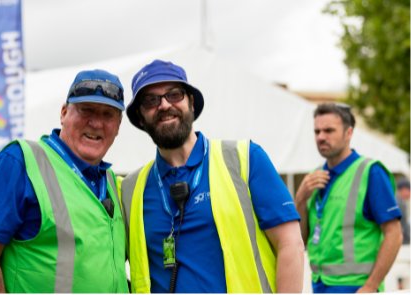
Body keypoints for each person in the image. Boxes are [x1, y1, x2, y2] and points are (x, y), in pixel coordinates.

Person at [120, 60, 303, 293]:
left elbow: (291, 245)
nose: (164, 105)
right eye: (151, 100)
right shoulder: (130, 189)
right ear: (140, 117)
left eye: (174, 95)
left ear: (192, 103)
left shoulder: (244, 159)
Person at [0, 69, 128, 293]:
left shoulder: (111, 183)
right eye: (86, 110)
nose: (96, 123)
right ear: (63, 113)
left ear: (118, 125)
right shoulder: (20, 162)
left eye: (108, 114)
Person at [293, 103, 403, 293]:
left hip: (356, 287)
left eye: (328, 130)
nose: (320, 137)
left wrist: (371, 286)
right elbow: (300, 239)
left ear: (349, 133)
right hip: (319, 285)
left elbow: (394, 234)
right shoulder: (314, 177)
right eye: (317, 131)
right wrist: (300, 198)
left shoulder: (371, 172)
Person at [398, 178, 411, 245]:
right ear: (404, 189)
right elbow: (402, 225)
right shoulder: (399, 203)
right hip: (401, 242)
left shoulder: (402, 202)